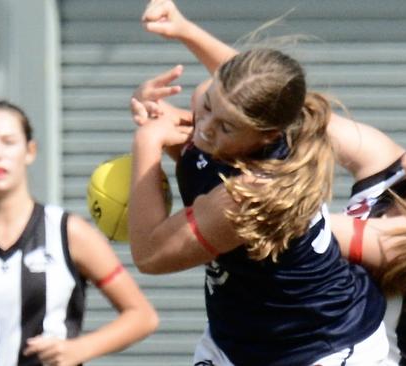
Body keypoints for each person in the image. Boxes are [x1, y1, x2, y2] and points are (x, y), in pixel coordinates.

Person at [137, 1, 406, 365]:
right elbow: (281, 106)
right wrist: (186, 35)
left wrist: (183, 145)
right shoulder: (391, 167)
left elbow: (287, 214)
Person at [128, 47, 388, 365]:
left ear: (269, 136)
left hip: (321, 346)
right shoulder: (222, 120)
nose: (206, 127)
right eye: (207, 106)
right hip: (239, 340)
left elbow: (150, 254)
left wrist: (146, 143)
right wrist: (155, 112)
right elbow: (198, 162)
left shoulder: (252, 195)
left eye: (226, 127)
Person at [0, 101, 159, 366]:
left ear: (30, 150)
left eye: (8, 141)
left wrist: (80, 349)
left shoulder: (68, 232)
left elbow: (142, 316)